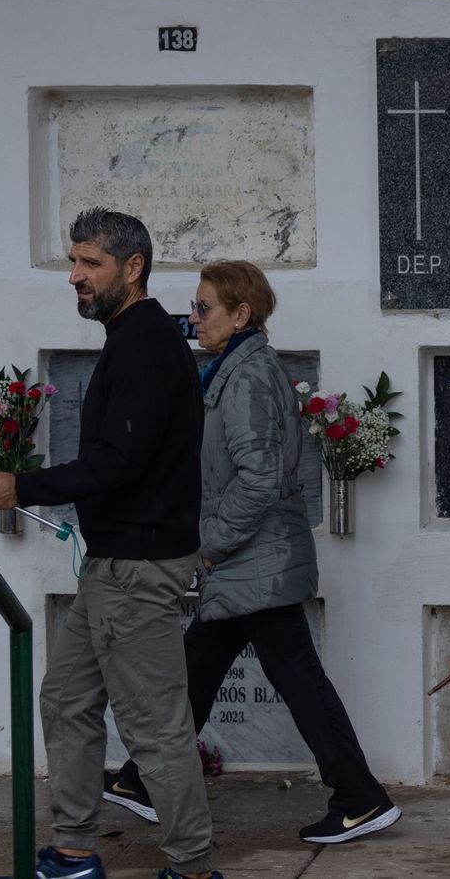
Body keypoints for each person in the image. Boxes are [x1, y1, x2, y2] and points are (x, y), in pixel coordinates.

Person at [105, 260, 401, 846]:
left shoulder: (247, 379)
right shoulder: (232, 371)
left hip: (254, 561)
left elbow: (260, 480)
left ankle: (360, 798)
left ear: (241, 314)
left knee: (297, 680)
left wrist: (208, 546)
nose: (193, 318)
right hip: (249, 564)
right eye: (193, 307)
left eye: (203, 308)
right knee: (195, 671)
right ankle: (143, 780)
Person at [0, 208, 220, 879]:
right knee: (67, 699)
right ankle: (76, 851)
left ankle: (194, 868)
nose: (75, 276)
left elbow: (119, 461)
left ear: (132, 269)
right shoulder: (132, 336)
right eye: (73, 262)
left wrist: (22, 486)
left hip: (137, 568)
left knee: (155, 727)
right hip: (115, 565)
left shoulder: (144, 343)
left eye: (90, 263)